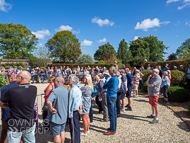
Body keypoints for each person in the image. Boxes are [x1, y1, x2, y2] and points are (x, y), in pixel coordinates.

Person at [0, 71, 37, 143]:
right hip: (29, 121)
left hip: (16, 123)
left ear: (21, 78)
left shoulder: (11, 91)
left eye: (17, 77)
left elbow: (1, 104)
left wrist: (11, 105)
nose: (16, 78)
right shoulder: (34, 88)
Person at [47, 77, 68, 143]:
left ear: (58, 82)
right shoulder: (66, 89)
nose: (54, 83)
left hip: (56, 117)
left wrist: (51, 108)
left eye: (55, 81)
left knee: (56, 135)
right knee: (62, 131)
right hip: (64, 115)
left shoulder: (55, 91)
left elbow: (48, 101)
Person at [0, 75, 18, 143]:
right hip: (19, 114)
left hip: (6, 113)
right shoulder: (21, 87)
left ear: (11, 79)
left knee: (5, 131)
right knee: (19, 132)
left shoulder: (3, 88)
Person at [103, 66, 119, 135]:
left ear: (113, 71)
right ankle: (113, 127)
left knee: (112, 113)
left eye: (109, 70)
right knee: (114, 113)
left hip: (111, 96)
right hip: (114, 95)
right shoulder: (116, 78)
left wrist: (107, 86)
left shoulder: (112, 79)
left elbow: (105, 86)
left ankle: (112, 129)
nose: (108, 72)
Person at [68, 75, 82, 143]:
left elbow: (72, 102)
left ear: (73, 81)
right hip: (76, 110)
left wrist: (76, 109)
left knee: (74, 128)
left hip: (73, 111)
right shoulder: (77, 89)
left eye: (70, 80)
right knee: (76, 127)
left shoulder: (73, 90)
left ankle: (75, 141)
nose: (68, 81)